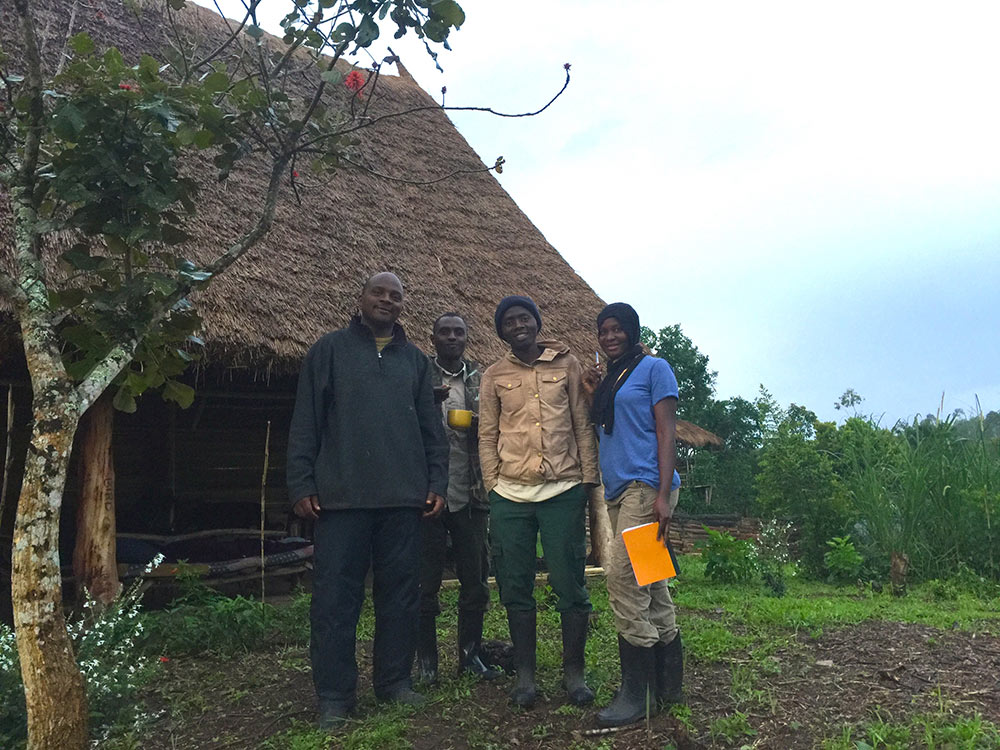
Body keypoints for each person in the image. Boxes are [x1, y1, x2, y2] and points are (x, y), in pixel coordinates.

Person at [286, 272, 448, 727]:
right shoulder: (329, 350)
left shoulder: (414, 361)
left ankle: (394, 684)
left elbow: (430, 431)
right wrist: (301, 483)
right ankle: (336, 697)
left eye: (396, 296)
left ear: (402, 307)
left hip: (403, 499)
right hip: (341, 499)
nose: (387, 300)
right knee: (335, 601)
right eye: (379, 292)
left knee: (400, 596)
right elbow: (305, 420)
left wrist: (436, 481)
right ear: (360, 299)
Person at [478, 295, 600, 709]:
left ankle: (574, 674)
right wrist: (492, 484)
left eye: (524, 318)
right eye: (509, 321)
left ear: (536, 322)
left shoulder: (566, 365)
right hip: (510, 494)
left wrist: (587, 478)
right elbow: (487, 433)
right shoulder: (494, 375)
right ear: (501, 331)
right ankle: (526, 677)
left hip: (563, 490)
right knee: (516, 585)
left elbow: (581, 422)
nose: (518, 326)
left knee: (571, 584)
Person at [583, 302, 684, 728]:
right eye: (603, 330)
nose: (610, 336)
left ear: (632, 330)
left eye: (617, 329)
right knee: (650, 579)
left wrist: (662, 494)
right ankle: (667, 685)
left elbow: (666, 430)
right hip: (619, 488)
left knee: (622, 576)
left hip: (647, 487)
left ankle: (635, 692)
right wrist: (593, 394)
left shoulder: (654, 368)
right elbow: (609, 427)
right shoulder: (612, 378)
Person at [416, 313, 501, 684]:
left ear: (467, 338)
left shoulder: (482, 377)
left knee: (475, 580)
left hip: (472, 491)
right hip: (428, 492)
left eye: (458, 332)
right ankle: (426, 664)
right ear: (432, 338)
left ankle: (470, 657)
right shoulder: (419, 374)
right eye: (444, 332)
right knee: (423, 582)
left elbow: (501, 424)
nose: (451, 337)